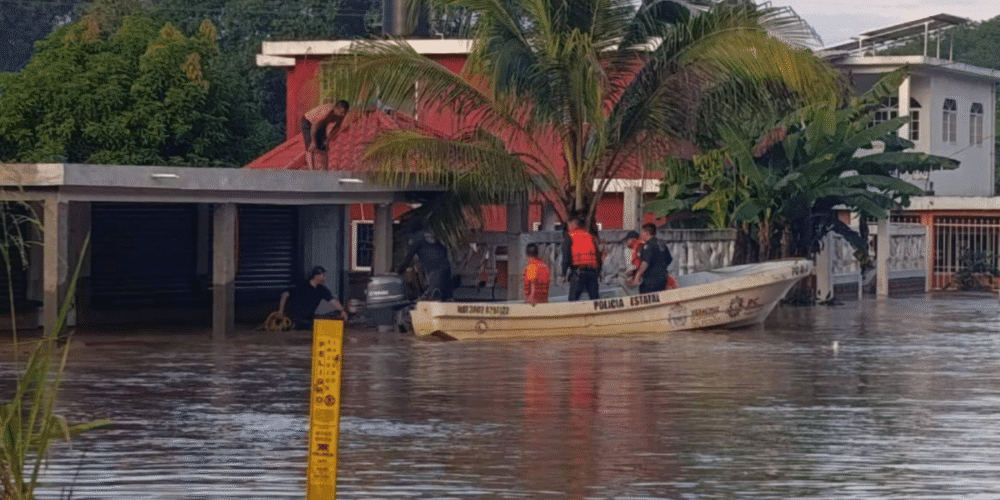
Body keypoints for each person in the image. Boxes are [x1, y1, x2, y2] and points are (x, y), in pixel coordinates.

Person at [278, 266, 347, 330]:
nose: (325, 278)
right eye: (323, 276)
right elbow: (285, 295)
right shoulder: (301, 285)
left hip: (308, 319)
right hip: (294, 319)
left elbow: (333, 301)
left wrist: (342, 310)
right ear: (316, 276)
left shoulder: (321, 289)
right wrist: (281, 311)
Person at [397, 228, 454, 301]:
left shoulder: (416, 238)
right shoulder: (429, 236)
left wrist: (399, 271)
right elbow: (444, 250)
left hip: (434, 270)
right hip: (446, 269)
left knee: (434, 298)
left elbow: (408, 258)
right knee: (447, 298)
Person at [301, 100, 349, 170]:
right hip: (308, 122)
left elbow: (337, 127)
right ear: (337, 109)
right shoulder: (326, 112)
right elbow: (314, 126)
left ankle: (325, 169)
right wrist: (313, 142)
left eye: (345, 112)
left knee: (324, 146)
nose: (343, 114)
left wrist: (327, 140)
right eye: (342, 112)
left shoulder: (341, 115)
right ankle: (311, 170)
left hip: (322, 123)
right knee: (310, 147)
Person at [561, 217, 601, 301]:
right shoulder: (590, 237)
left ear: (574, 225)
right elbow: (598, 257)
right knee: (595, 301)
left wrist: (564, 274)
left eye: (570, 224)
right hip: (592, 273)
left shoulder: (569, 236)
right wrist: (598, 272)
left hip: (578, 273)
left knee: (573, 300)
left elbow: (566, 257)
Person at [630, 223, 673, 294]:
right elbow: (668, 260)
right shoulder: (662, 244)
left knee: (646, 301)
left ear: (646, 232)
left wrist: (637, 277)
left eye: (642, 232)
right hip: (662, 281)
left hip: (650, 283)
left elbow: (645, 263)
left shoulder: (648, 246)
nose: (641, 235)